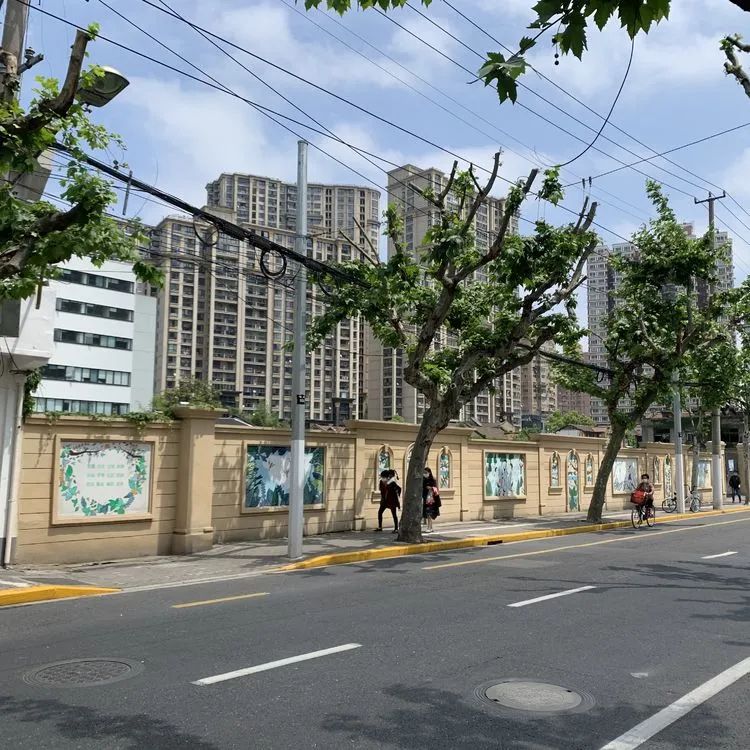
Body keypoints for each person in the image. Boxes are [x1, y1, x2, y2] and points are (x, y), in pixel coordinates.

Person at [422, 467, 440, 533]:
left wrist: (430, 488)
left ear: (429, 472)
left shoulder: (433, 479)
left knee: (429, 513)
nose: (424, 474)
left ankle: (429, 527)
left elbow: (436, 489)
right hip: (426, 498)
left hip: (431, 499)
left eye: (426, 473)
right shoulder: (423, 480)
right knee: (427, 514)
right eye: (424, 473)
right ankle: (430, 527)